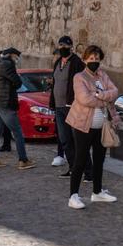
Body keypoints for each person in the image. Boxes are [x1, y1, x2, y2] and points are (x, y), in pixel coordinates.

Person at [65, 45, 120, 209]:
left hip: (101, 126)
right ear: (84, 60)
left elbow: (115, 91)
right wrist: (104, 98)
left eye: (96, 59)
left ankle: (97, 192)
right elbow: (84, 99)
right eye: (91, 59)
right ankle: (73, 196)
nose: (94, 62)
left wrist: (99, 95)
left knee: (99, 159)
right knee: (80, 160)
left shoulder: (103, 75)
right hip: (83, 125)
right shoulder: (79, 77)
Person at [0, 48, 36, 170]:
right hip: (6, 103)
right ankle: (23, 160)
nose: (17, 59)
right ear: (12, 55)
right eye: (16, 57)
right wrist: (16, 77)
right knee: (17, 132)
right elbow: (17, 82)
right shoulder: (8, 64)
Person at [49, 36, 88, 181]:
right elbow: (55, 83)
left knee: (78, 141)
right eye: (60, 45)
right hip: (59, 107)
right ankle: (73, 168)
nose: (62, 48)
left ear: (71, 47)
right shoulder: (58, 62)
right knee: (65, 140)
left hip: (72, 107)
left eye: (65, 45)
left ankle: (88, 172)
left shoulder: (77, 63)